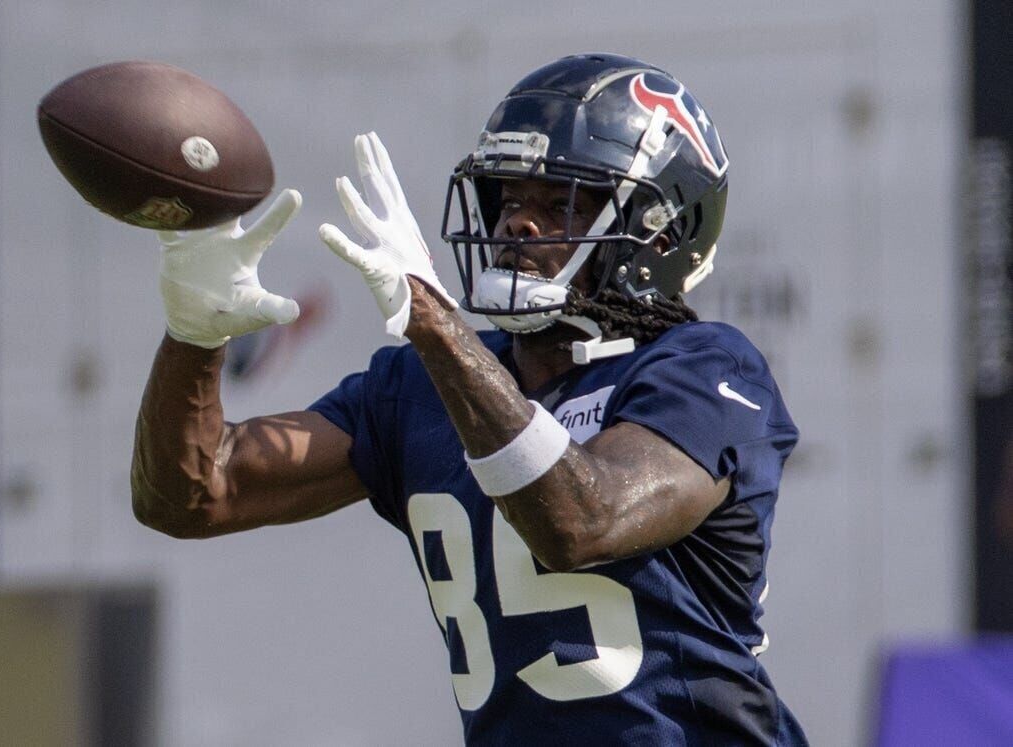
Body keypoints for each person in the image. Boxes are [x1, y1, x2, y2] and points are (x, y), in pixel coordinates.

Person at [133, 53, 808, 745]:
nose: (518, 226)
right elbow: (191, 492)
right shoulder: (421, 385)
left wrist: (435, 325)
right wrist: (193, 331)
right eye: (508, 200)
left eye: (559, 205)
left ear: (657, 233)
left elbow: (583, 519)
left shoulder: (703, 369)